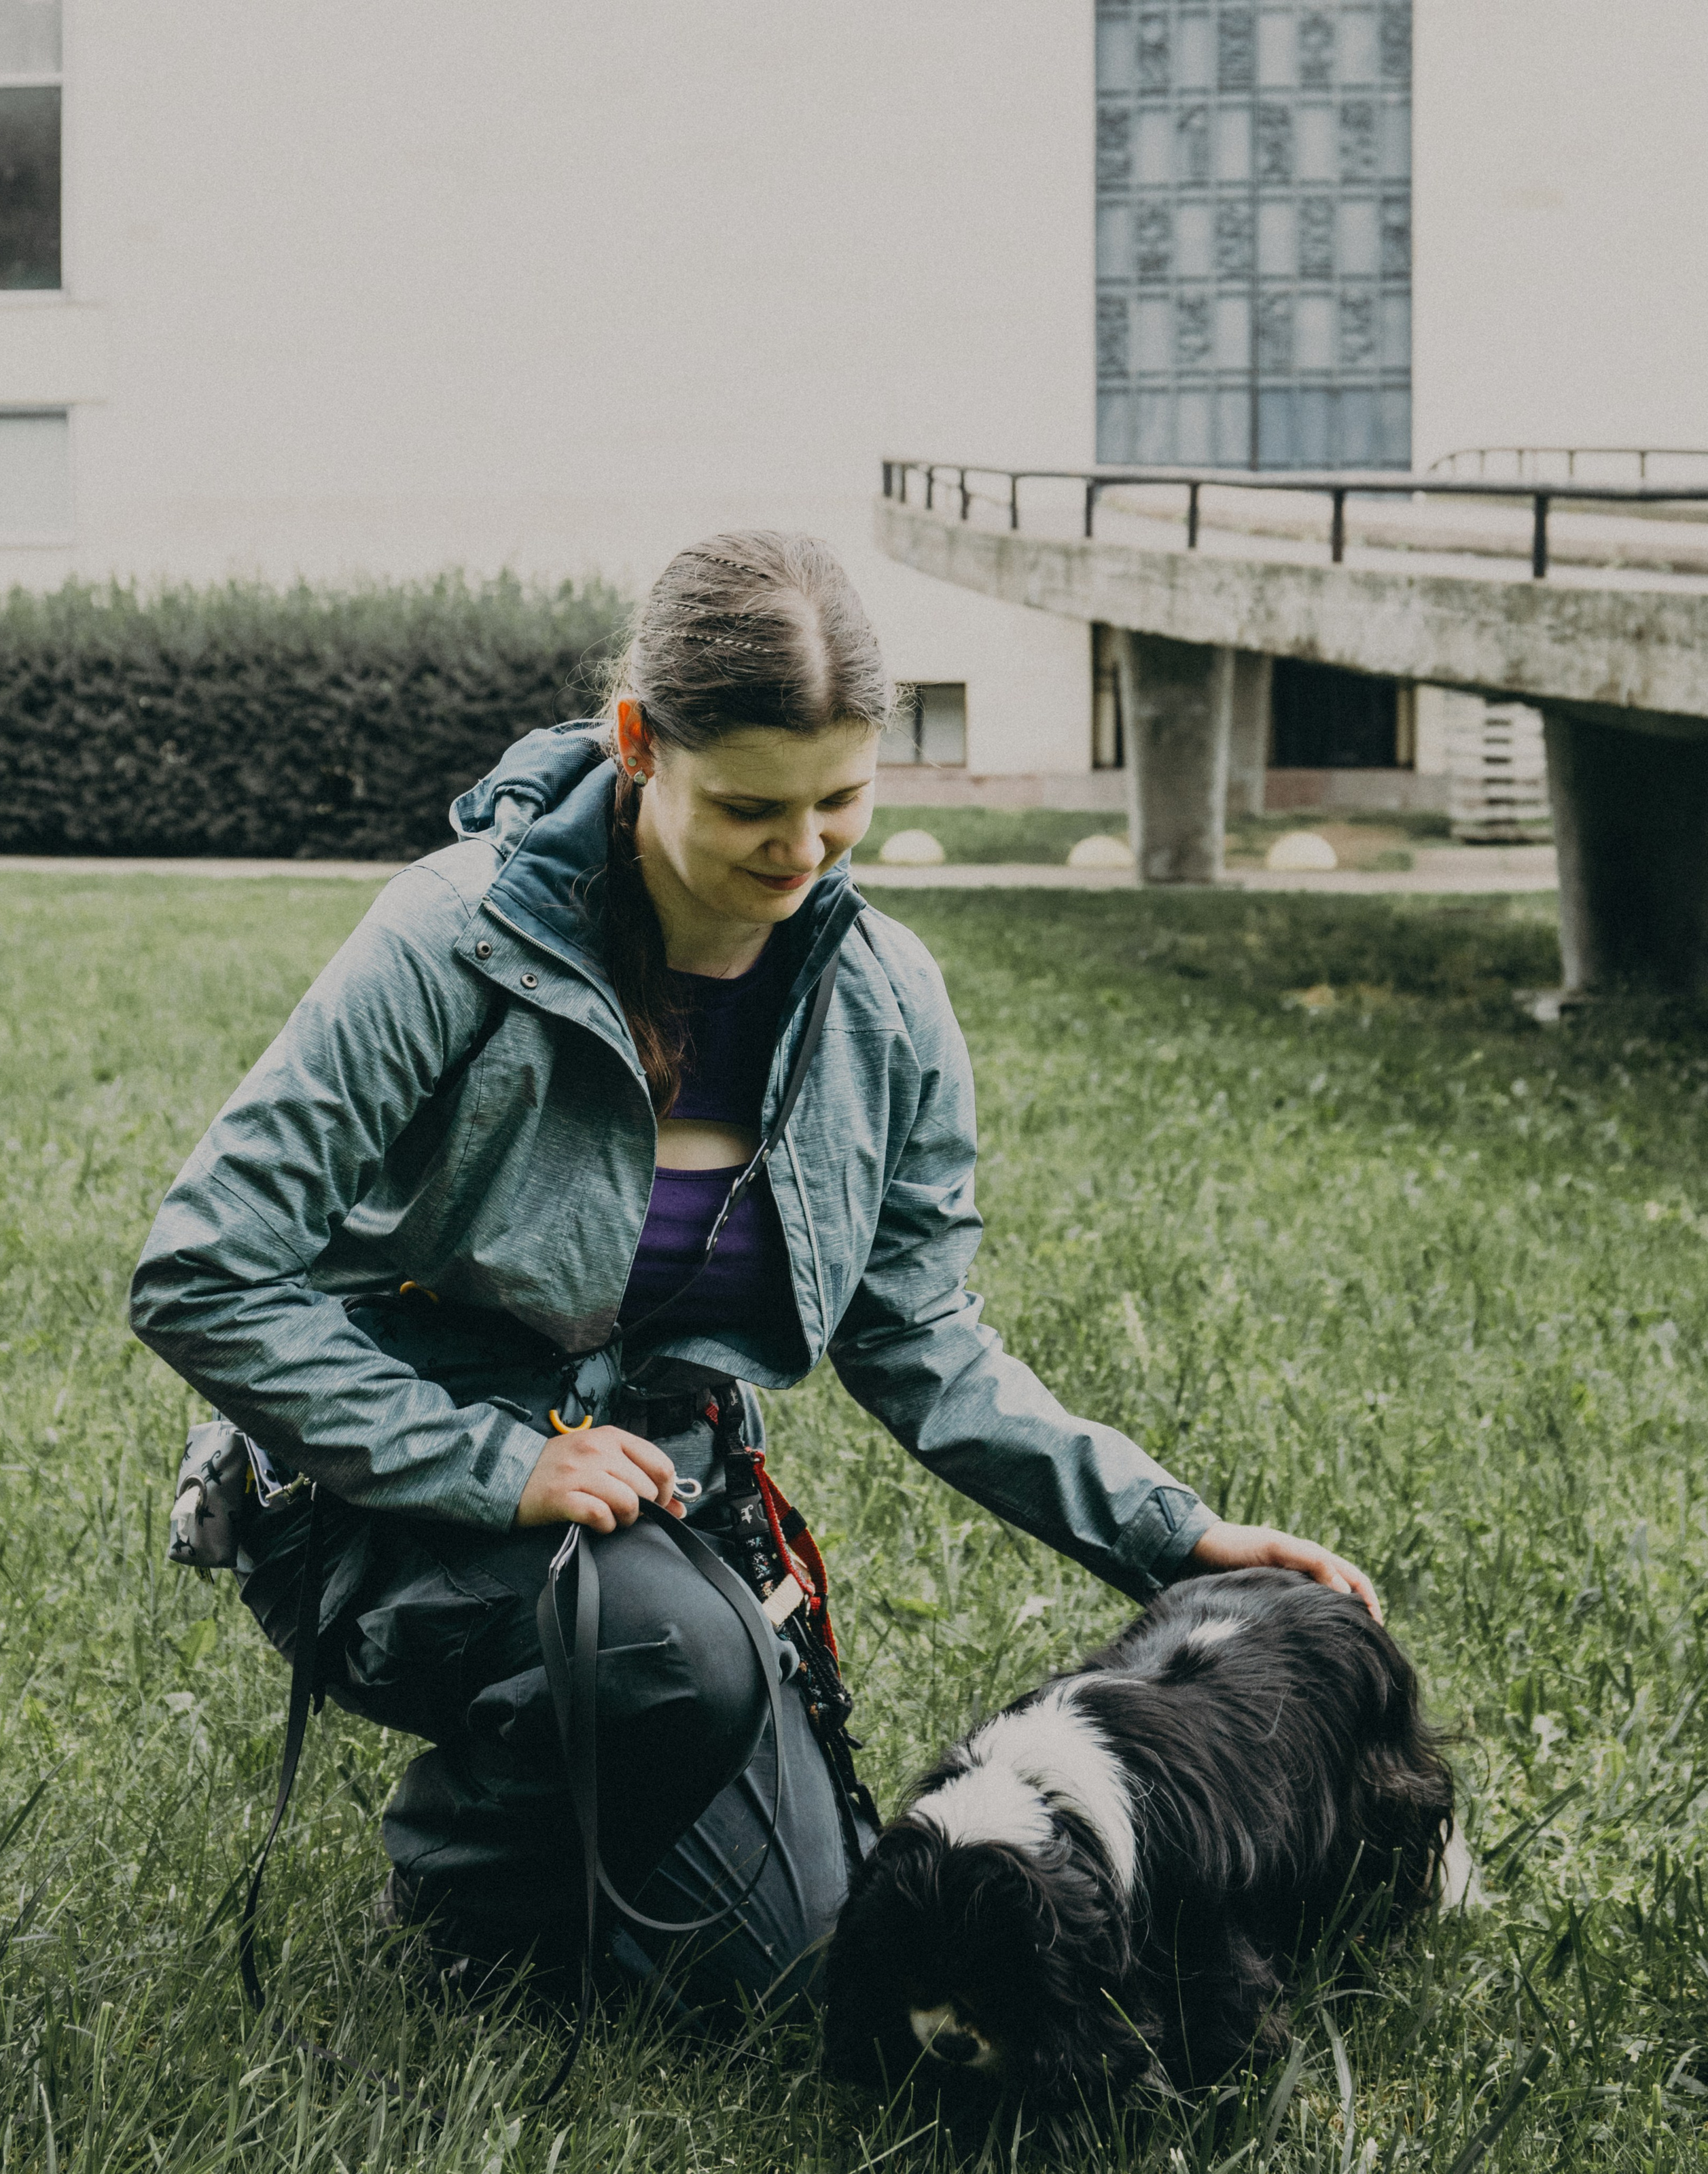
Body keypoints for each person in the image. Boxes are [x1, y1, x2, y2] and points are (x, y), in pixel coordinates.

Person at [128, 531, 1379, 2017]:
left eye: (839, 801)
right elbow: (201, 1269)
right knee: (672, 1660)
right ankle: (463, 1880)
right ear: (638, 743)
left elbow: (919, 1338)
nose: (799, 853)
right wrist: (490, 1465)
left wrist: (1170, 1535)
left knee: (796, 1968)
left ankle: (619, 1760)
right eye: (748, 807)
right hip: (383, 1497)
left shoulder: (884, 998)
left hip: (662, 1499)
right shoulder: (446, 938)